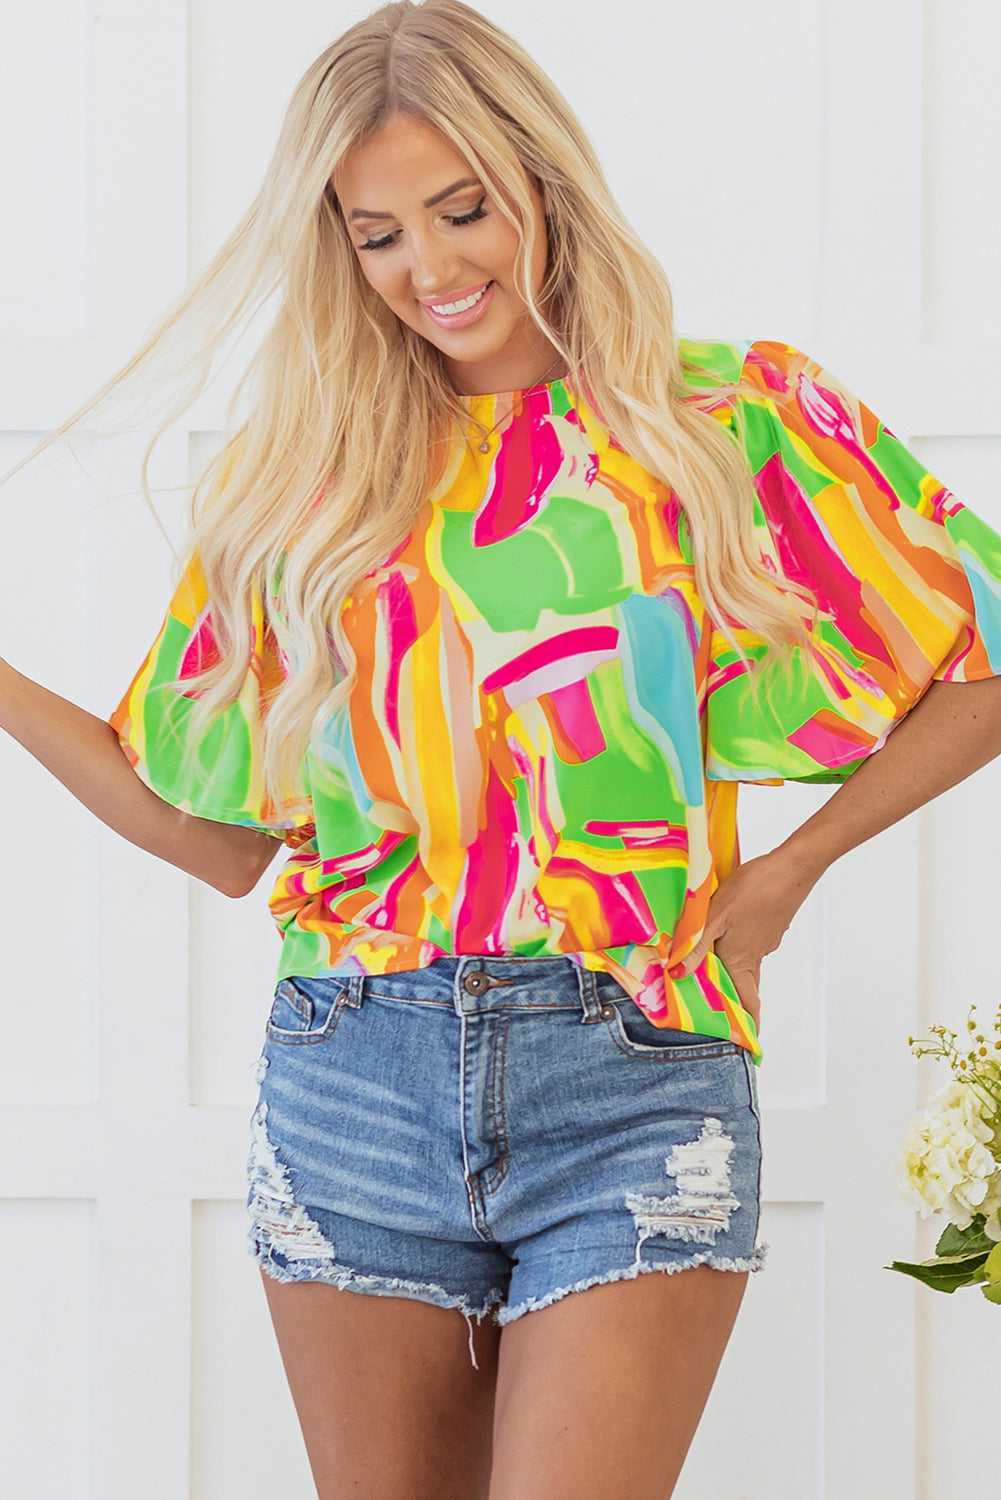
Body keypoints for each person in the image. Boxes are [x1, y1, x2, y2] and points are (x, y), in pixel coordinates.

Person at [4, 2, 1001, 1496]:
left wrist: (791, 870)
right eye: (378, 234)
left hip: (636, 1066)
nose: (431, 266)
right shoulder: (306, 480)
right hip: (351, 1069)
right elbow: (214, 838)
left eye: (462, 209)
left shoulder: (727, 418)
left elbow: (981, 657)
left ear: (543, 180)